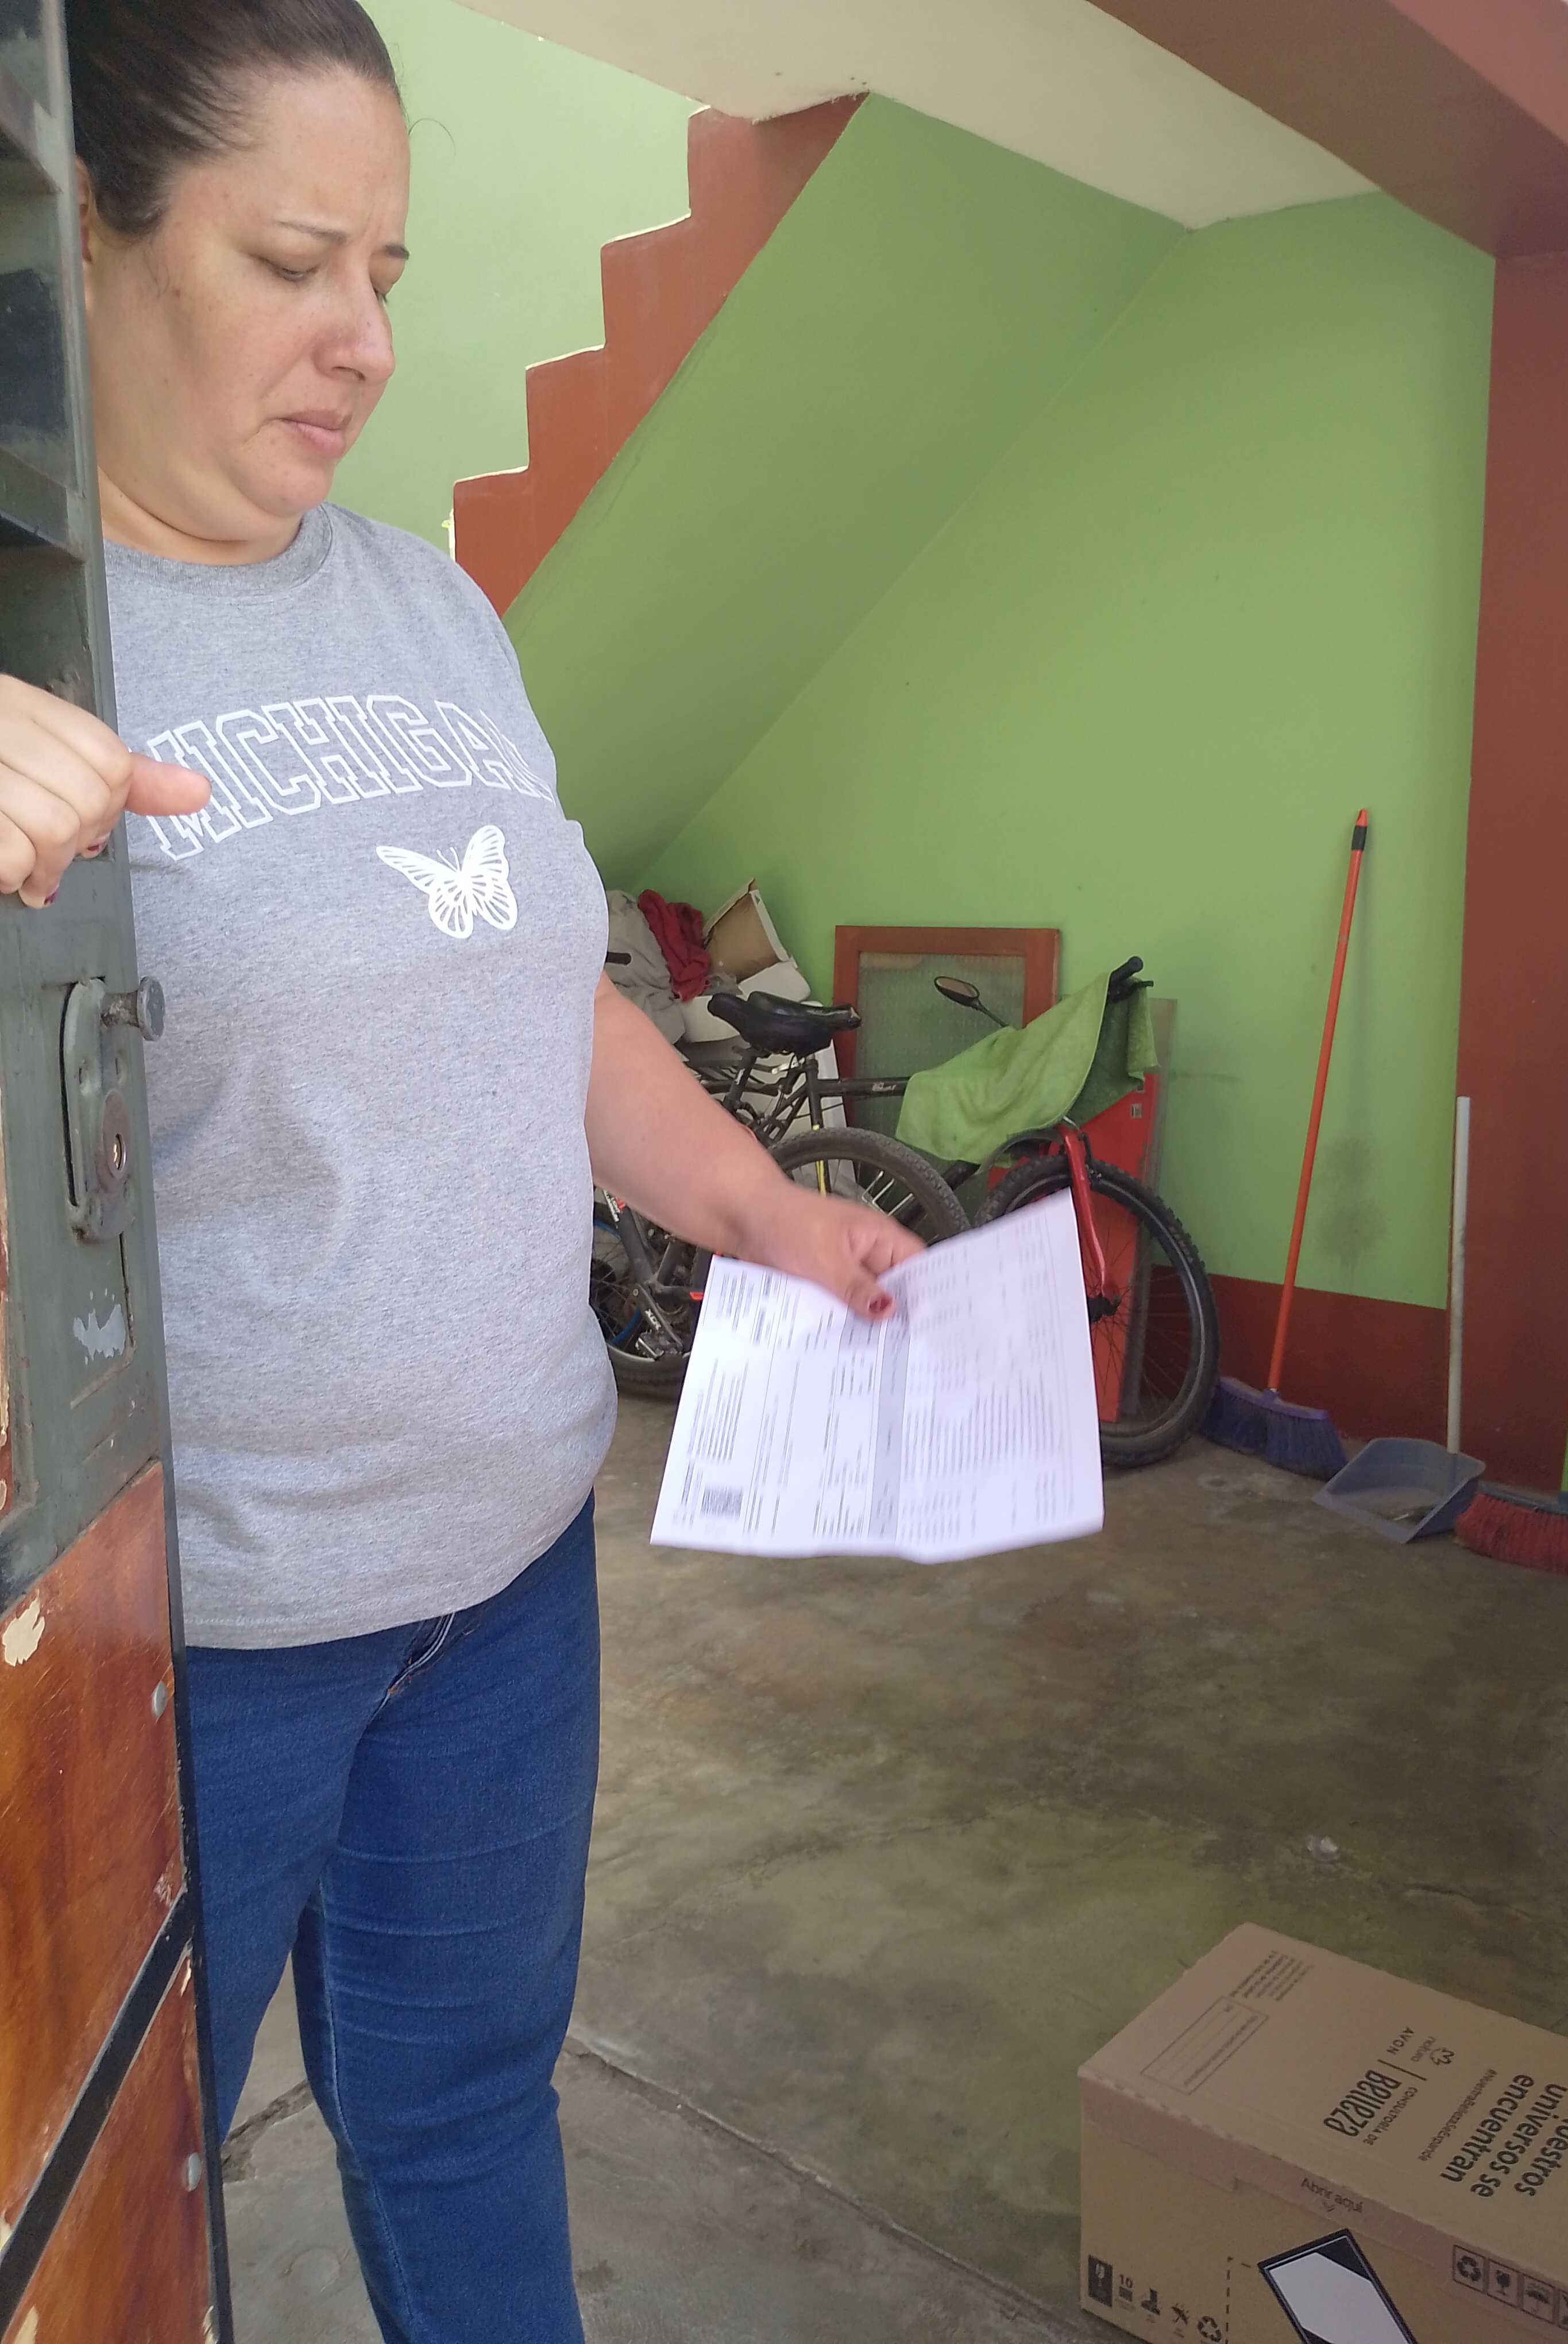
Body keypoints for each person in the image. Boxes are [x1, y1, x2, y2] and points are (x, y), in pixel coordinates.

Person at [0, 5, 920, 2337]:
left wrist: (756, 1209)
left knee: (465, 2106)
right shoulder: (26, 658)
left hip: (507, 1579)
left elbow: (546, 995)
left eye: (388, 272)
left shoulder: (431, 607)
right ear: (90, 239)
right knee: (101, 2216)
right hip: (195, 1650)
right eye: (291, 261)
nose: (369, 343)